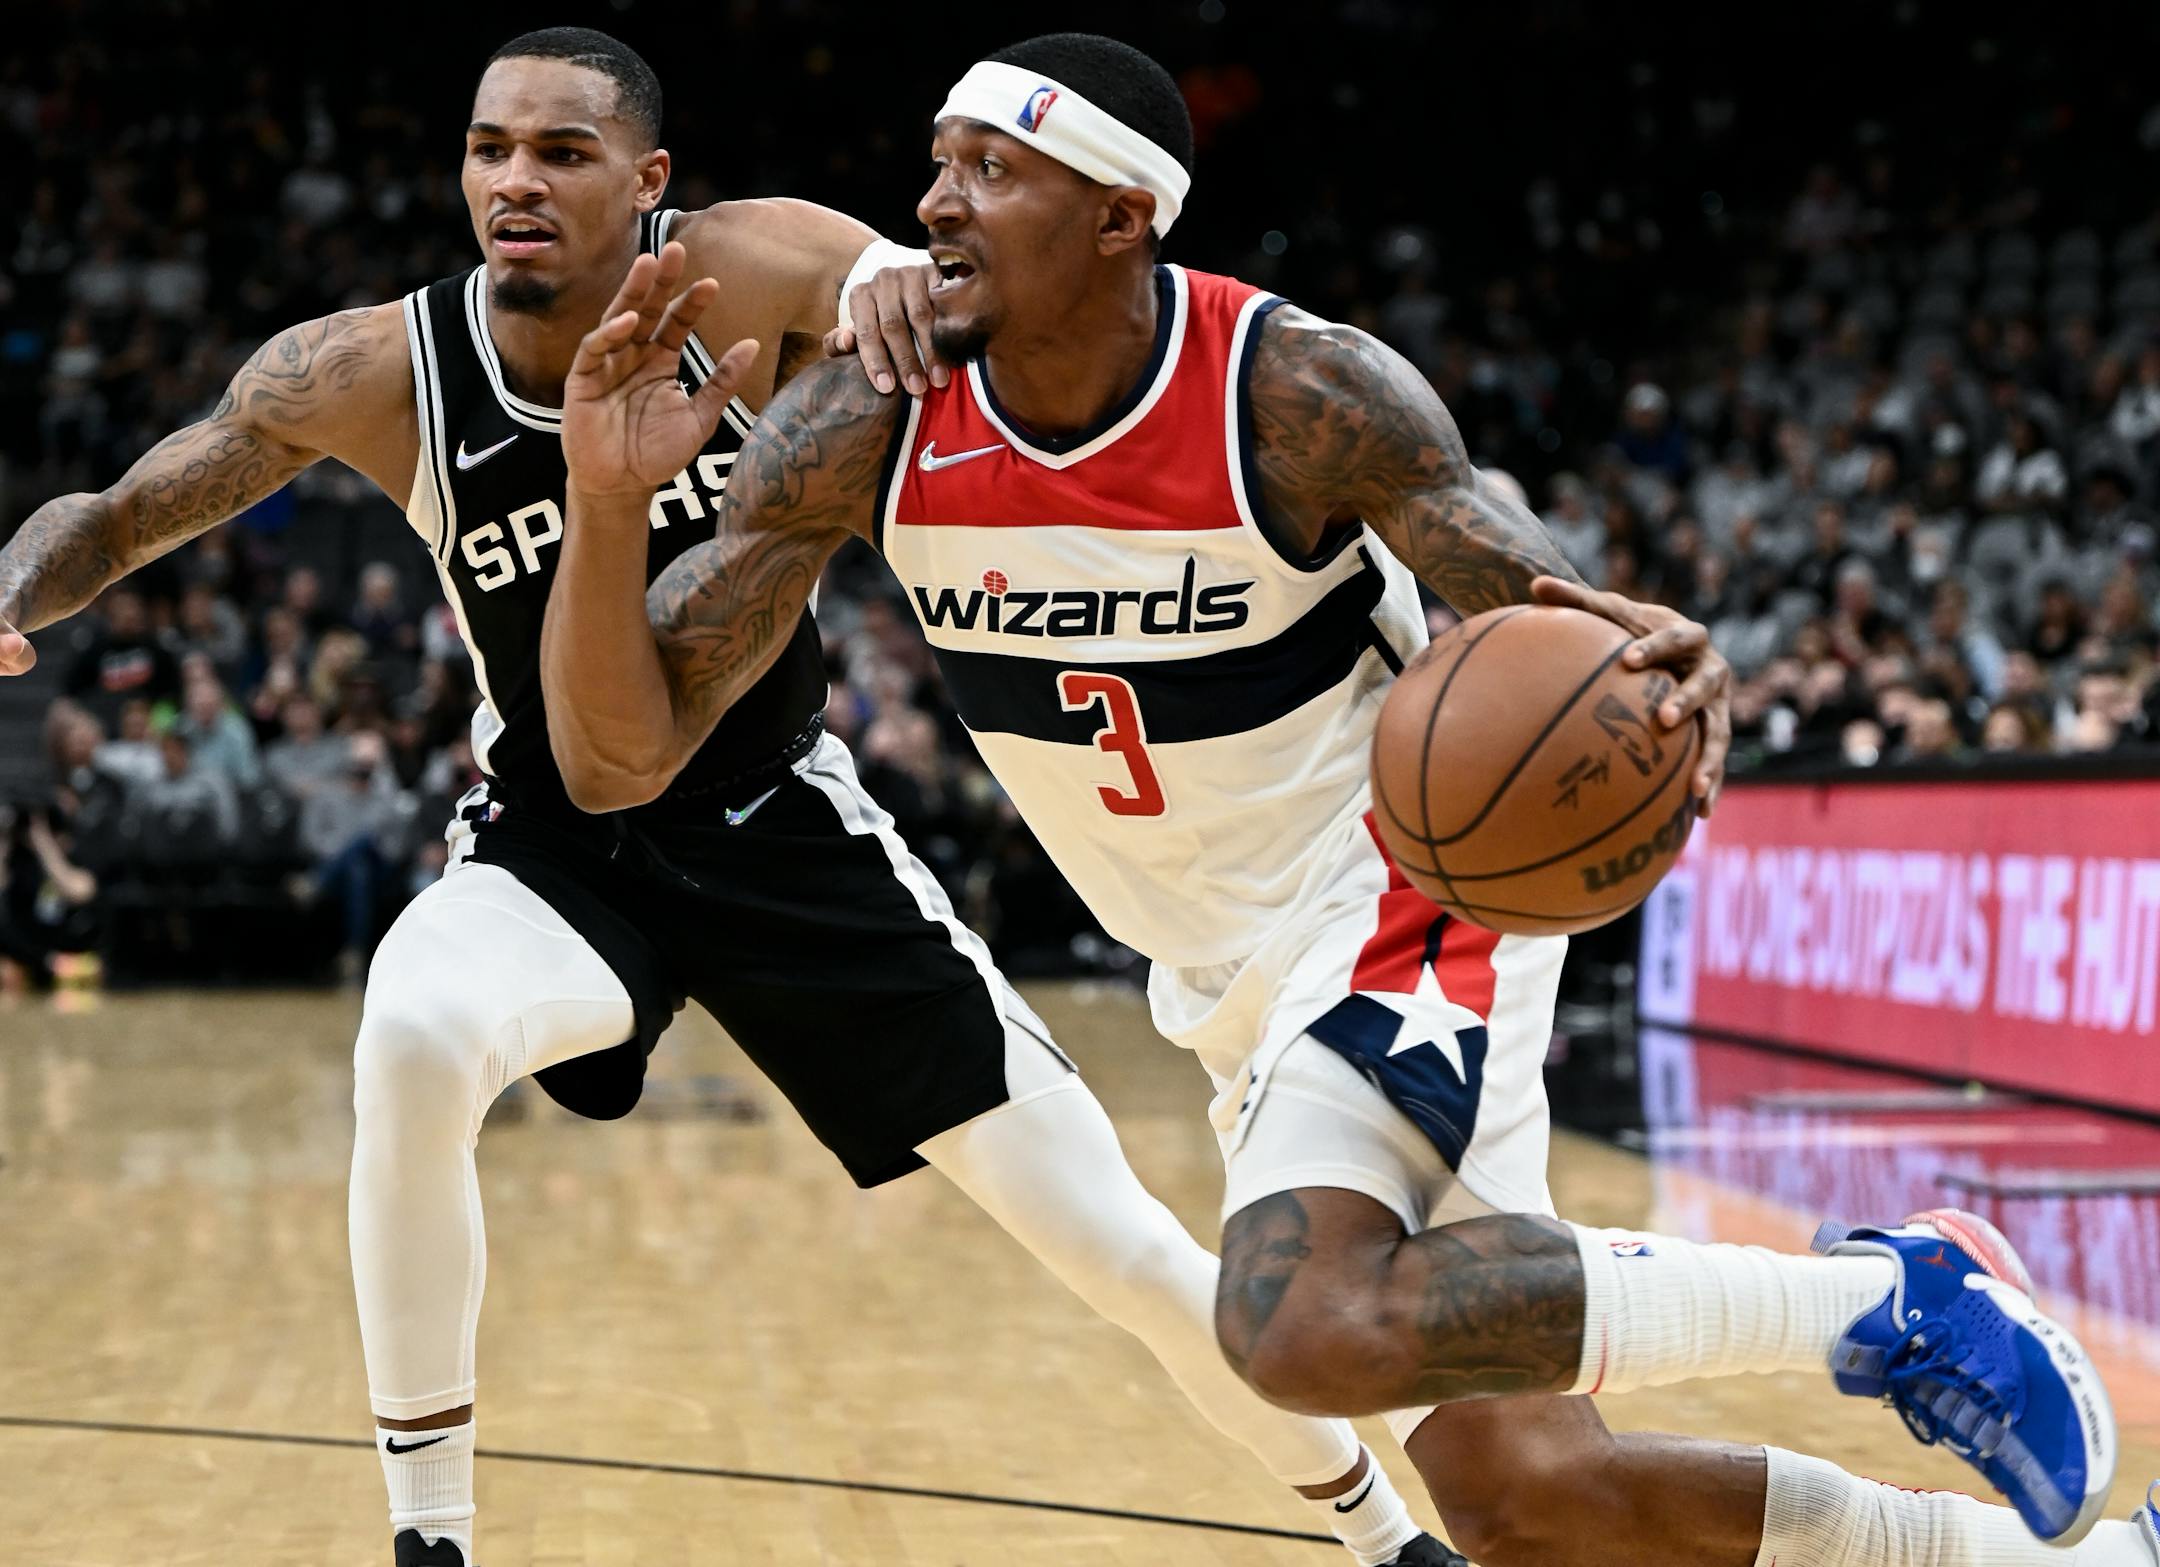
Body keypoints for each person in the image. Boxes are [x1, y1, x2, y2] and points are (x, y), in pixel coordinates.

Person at [541, 32, 2151, 1567]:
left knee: (1296, 1326)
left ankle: (1888, 1300)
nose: (940, 202)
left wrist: (1637, 649)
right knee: (1526, 1504)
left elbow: (1524, 586)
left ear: (1119, 216)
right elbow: (622, 757)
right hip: (1226, 982)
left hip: (1392, 884)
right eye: (936, 166)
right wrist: (604, 509)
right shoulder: (864, 421)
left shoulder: (1288, 390)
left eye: (991, 169)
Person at [0, 27, 1439, 1567]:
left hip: (783, 824)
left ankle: (1388, 1542)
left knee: (1111, 1240)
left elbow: (907, 277)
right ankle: (432, 1540)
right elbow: (123, 507)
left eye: (562, 151)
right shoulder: (378, 371)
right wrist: (16, 590)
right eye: (490, 149)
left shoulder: (745, 273)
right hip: (561, 848)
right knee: (415, 1028)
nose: (516, 181)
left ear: (649, 180)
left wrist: (897, 272)